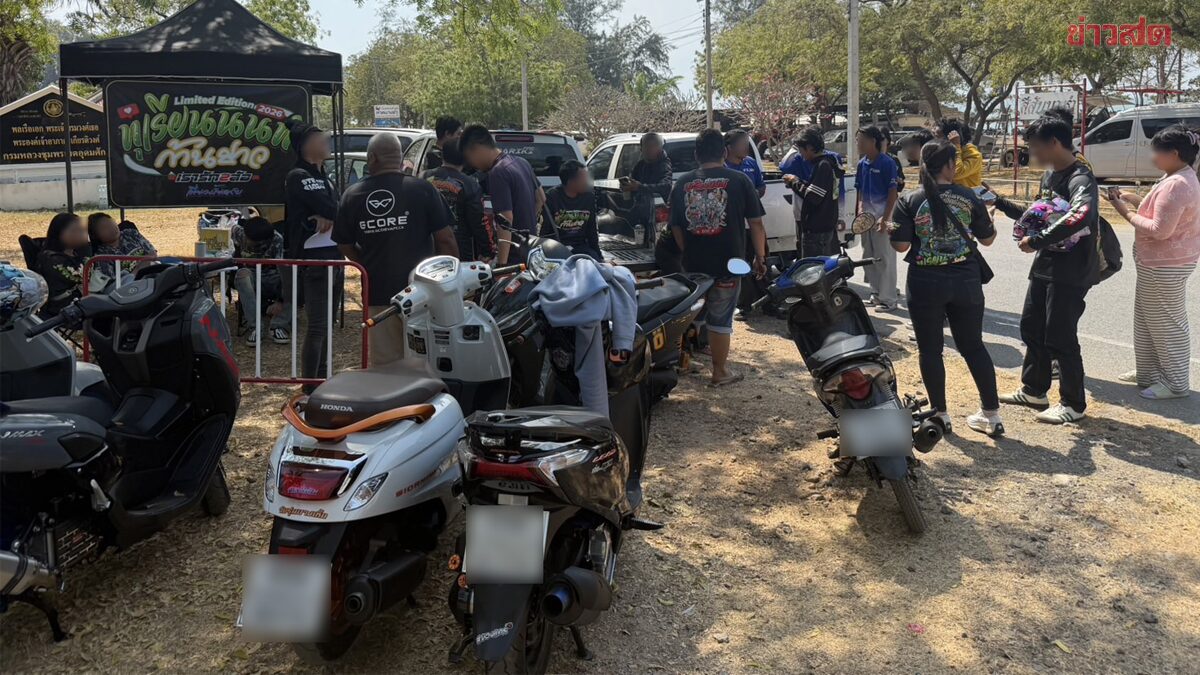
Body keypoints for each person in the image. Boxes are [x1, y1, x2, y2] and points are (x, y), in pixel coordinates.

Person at [992, 107, 1100, 423]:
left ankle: (1073, 404)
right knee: (1032, 326)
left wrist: (1036, 242)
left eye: (1035, 147)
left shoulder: (1081, 176)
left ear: (1053, 142)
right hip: (1045, 264)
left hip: (1071, 269)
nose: (1032, 153)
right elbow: (1037, 215)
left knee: (1061, 335)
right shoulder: (1050, 174)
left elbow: (1080, 215)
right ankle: (1034, 390)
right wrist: (998, 201)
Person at [891, 139, 1003, 436]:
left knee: (930, 351)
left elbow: (900, 244)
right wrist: (990, 216)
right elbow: (988, 240)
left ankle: (941, 414)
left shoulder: (910, 200)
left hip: (925, 282)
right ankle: (991, 415)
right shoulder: (968, 196)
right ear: (951, 165)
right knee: (974, 347)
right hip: (966, 281)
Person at [335, 133, 458, 367]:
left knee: (387, 365)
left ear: (371, 158)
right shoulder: (423, 189)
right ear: (401, 158)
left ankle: (393, 403)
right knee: (429, 362)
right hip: (424, 291)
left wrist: (366, 264)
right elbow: (446, 240)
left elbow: (344, 243)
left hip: (380, 292)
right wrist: (451, 282)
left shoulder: (352, 196)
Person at [1106, 125, 1200, 399]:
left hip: (1166, 264)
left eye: (1156, 151)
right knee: (1148, 320)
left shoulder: (1178, 184)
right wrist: (1130, 198)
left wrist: (1122, 210)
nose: (1153, 157)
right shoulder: (1175, 176)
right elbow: (1154, 207)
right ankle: (1150, 372)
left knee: (1166, 323)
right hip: (1158, 262)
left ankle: (1176, 382)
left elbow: (1159, 229)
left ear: (1173, 153)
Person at [669, 129, 767, 386]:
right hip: (729, 263)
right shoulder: (739, 181)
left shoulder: (682, 184)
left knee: (691, 314)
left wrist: (686, 250)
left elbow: (676, 227)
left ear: (695, 155)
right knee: (721, 318)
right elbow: (755, 223)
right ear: (724, 152)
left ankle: (682, 362)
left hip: (693, 264)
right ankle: (720, 372)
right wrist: (760, 256)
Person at [283, 120, 341, 384]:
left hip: (335, 258)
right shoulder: (299, 176)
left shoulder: (324, 176)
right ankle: (310, 389)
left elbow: (338, 211)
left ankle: (324, 380)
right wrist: (328, 214)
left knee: (327, 327)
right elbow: (335, 210)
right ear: (306, 145)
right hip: (314, 262)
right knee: (317, 327)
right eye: (321, 138)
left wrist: (333, 213)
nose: (327, 141)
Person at [460, 125, 544, 264]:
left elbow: (505, 220)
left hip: (514, 259)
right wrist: (527, 228)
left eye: (469, 158)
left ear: (475, 149)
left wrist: (502, 265)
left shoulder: (498, 172)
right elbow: (541, 198)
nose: (473, 165)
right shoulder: (522, 162)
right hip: (530, 251)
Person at [422, 137, 494, 261]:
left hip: (427, 249)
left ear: (442, 155)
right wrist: (488, 251)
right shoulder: (470, 184)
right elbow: (479, 221)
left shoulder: (424, 177)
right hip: (459, 250)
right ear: (465, 158)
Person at [854, 125, 901, 310]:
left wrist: (886, 218)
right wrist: (859, 210)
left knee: (885, 257)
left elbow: (892, 193)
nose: (858, 144)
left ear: (873, 142)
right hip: (866, 217)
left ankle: (888, 299)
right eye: (858, 141)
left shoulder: (887, 163)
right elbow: (859, 189)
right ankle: (875, 292)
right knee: (868, 256)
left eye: (861, 141)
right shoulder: (862, 163)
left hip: (884, 216)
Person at [231, 215, 291, 345]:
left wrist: (280, 300)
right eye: (246, 237)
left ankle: (278, 326)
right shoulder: (239, 233)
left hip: (273, 277)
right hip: (251, 276)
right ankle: (256, 327)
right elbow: (232, 231)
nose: (247, 241)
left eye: (252, 241)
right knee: (242, 275)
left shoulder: (277, 240)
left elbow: (282, 269)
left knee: (291, 277)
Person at [783, 127, 841, 257]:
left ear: (809, 147)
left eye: (801, 150)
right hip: (825, 227)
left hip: (817, 231)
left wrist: (793, 182)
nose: (801, 154)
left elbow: (814, 197)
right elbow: (815, 191)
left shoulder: (823, 166)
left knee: (813, 272)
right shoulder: (827, 163)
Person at [544, 160, 602, 260]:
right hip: (557, 247)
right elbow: (545, 231)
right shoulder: (552, 197)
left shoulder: (589, 197)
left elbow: (591, 230)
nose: (587, 182)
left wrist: (599, 256)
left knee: (594, 261)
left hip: (581, 247)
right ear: (571, 181)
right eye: (584, 178)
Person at [35, 212, 90, 317]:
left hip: (82, 300)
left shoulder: (76, 253)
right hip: (64, 308)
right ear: (58, 233)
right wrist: (87, 247)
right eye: (74, 230)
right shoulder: (50, 258)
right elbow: (81, 276)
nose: (81, 233)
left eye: (82, 230)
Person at [87, 212, 156, 278]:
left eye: (111, 223)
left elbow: (152, 253)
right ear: (95, 235)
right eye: (105, 228)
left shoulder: (131, 233)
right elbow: (114, 283)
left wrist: (138, 269)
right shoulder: (101, 256)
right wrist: (136, 272)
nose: (112, 228)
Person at [936, 118, 984, 189]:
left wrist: (955, 147)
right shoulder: (942, 152)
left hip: (969, 198)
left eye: (938, 138)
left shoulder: (974, 155)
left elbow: (956, 172)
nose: (934, 142)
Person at [724, 129, 766, 198]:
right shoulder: (722, 166)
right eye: (742, 144)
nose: (746, 147)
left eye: (747, 144)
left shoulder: (751, 162)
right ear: (730, 147)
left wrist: (753, 195)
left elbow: (761, 186)